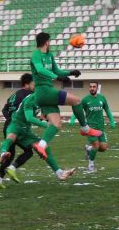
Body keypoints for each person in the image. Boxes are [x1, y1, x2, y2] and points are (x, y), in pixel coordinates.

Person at [29, 32, 102, 160]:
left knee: (56, 124)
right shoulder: (36, 54)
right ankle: (85, 129)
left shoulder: (49, 55)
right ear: (47, 41)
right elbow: (40, 70)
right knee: (76, 101)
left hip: (47, 92)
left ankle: (41, 145)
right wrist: (57, 78)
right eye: (49, 41)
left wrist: (70, 72)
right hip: (43, 91)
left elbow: (56, 71)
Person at [0, 93, 76, 186]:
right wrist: (46, 125)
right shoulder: (30, 100)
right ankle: (3, 153)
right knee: (11, 137)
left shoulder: (43, 99)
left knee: (44, 147)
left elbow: (44, 114)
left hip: (26, 130)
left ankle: (59, 173)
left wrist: (50, 118)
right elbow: (29, 118)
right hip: (16, 125)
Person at [0, 73, 35, 185]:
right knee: (29, 151)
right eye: (33, 83)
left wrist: (9, 118)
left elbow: (4, 109)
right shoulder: (29, 95)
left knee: (10, 154)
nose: (35, 86)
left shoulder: (13, 95)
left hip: (8, 126)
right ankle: (12, 168)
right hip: (17, 127)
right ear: (27, 84)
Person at [79, 82, 115, 173]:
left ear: (97, 88)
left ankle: (89, 149)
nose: (92, 88)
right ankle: (91, 166)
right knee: (96, 145)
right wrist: (72, 119)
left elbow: (107, 109)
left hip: (100, 127)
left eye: (94, 87)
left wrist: (111, 120)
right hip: (90, 127)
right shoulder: (85, 100)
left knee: (103, 148)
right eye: (90, 87)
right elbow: (78, 110)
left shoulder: (102, 98)